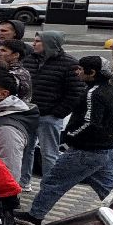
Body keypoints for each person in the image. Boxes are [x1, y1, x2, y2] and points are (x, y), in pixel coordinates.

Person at [20, 55, 113, 224]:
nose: (77, 72)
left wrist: (69, 136)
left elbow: (89, 122)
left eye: (80, 69)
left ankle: (34, 216)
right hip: (107, 150)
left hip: (86, 151)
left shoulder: (93, 93)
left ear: (92, 73)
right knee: (108, 189)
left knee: (53, 182)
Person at [25, 30, 87, 188]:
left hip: (49, 117)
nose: (33, 44)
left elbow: (76, 92)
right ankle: (23, 182)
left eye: (37, 41)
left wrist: (58, 112)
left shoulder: (69, 64)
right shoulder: (29, 59)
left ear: (49, 43)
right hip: (28, 114)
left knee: (49, 153)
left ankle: (48, 187)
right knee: (26, 149)